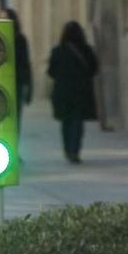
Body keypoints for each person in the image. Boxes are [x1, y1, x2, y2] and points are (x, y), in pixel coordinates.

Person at [47, 19, 99, 164]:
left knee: (66, 122)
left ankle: (67, 149)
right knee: (77, 121)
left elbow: (51, 71)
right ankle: (75, 150)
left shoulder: (58, 51)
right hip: (81, 91)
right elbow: (94, 68)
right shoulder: (86, 50)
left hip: (63, 91)